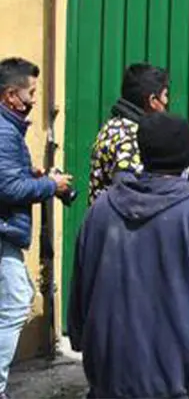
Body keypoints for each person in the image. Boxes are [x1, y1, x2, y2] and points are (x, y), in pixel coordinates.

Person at [68, 113, 189, 398]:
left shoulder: (102, 207)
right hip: (169, 372)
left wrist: (80, 336)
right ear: (188, 158)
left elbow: (82, 278)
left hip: (106, 368)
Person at [0, 58, 73, 398]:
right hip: (3, 233)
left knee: (15, 298)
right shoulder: (3, 131)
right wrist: (51, 186)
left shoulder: (9, 128)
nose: (33, 99)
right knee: (17, 301)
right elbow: (7, 189)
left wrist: (34, 176)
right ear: (10, 95)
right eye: (30, 92)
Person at [88, 63, 169, 204]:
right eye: (165, 95)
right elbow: (131, 197)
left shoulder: (112, 126)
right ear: (152, 101)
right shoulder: (131, 137)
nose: (167, 102)